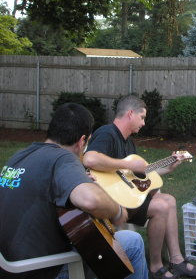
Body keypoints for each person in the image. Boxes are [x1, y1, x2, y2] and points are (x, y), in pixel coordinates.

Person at [0, 103, 148, 279]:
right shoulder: (64, 158)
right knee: (134, 242)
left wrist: (80, 180)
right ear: (82, 141)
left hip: (9, 266)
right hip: (43, 270)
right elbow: (90, 200)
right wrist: (117, 211)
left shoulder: (18, 156)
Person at [83, 95, 196, 279]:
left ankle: (177, 260)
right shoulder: (107, 133)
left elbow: (140, 177)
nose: (143, 123)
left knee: (169, 200)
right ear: (130, 114)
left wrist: (168, 167)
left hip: (124, 196)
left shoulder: (129, 144)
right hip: (108, 199)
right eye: (142, 117)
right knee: (161, 206)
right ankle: (156, 266)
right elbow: (90, 159)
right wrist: (127, 165)